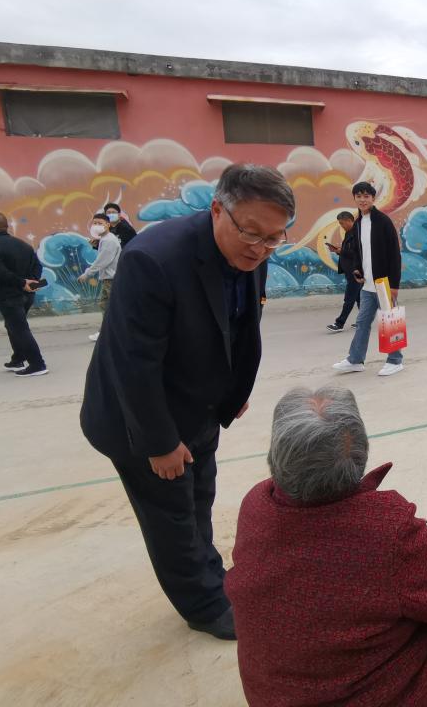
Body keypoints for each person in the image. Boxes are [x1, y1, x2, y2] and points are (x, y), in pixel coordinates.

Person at [80, 163, 294, 640]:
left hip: (199, 407)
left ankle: (212, 578)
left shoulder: (251, 253)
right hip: (141, 419)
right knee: (172, 516)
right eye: (251, 234)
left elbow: (237, 327)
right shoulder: (153, 260)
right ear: (217, 210)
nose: (260, 248)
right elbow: (133, 364)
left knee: (199, 499)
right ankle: (205, 606)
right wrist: (159, 443)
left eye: (273, 238)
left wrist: (233, 392)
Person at [227, 385, 427, 707]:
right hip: (370, 696)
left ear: (278, 456)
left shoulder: (256, 504)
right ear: (359, 454)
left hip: (272, 694)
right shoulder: (385, 527)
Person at [332, 182, 404, 377]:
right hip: (367, 285)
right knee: (362, 322)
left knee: (390, 322)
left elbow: (395, 255)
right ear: (354, 198)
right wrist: (357, 269)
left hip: (384, 283)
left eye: (366, 196)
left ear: (373, 198)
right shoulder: (357, 224)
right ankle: (355, 360)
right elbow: (358, 251)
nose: (362, 200)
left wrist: (394, 285)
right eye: (359, 196)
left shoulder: (383, 222)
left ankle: (395, 360)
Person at [0, 212, 47, 377]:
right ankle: (18, 359)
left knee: (19, 329)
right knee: (13, 325)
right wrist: (32, 282)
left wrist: (22, 282)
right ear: (6, 226)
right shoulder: (23, 245)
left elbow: (1, 273)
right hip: (27, 295)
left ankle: (37, 364)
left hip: (8, 296)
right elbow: (38, 265)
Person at [78, 212, 122, 342]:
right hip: (109, 278)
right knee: (107, 306)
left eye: (100, 223)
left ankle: (106, 333)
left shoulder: (108, 240)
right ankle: (107, 332)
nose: (96, 225)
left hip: (111, 279)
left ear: (107, 224)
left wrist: (87, 274)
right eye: (94, 223)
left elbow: (102, 261)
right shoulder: (105, 239)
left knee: (109, 307)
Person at [324, 210, 360, 333]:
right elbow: (349, 251)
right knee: (359, 297)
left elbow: (358, 254)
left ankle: (339, 323)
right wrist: (338, 250)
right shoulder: (349, 233)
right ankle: (363, 321)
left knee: (349, 298)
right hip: (350, 271)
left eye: (342, 223)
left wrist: (341, 251)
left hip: (356, 271)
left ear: (349, 221)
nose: (341, 226)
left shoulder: (357, 234)